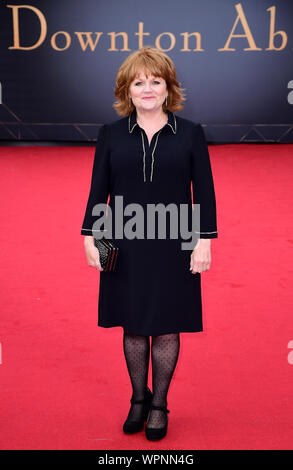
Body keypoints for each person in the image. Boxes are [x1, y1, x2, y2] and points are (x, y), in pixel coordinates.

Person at [81, 46, 218, 441]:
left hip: (175, 240)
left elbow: (203, 193)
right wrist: (90, 236)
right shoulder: (110, 133)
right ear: (127, 89)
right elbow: (98, 190)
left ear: (168, 87)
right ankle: (138, 399)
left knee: (168, 325)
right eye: (139, 82)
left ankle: (159, 404)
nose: (147, 89)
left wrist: (204, 242)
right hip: (124, 239)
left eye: (155, 81)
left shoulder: (191, 133)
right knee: (134, 324)